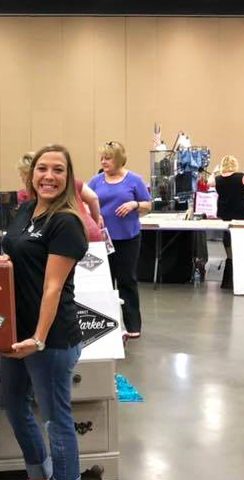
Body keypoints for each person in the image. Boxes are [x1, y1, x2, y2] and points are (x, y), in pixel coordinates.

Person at [0, 144, 88, 480]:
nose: (48, 176)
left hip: (50, 336)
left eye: (58, 170)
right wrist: (4, 265)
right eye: (42, 169)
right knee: (12, 402)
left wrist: (39, 337)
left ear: (68, 177)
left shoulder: (66, 222)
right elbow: (21, 258)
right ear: (31, 173)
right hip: (18, 331)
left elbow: (52, 286)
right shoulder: (25, 211)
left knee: (56, 418)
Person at [88, 141, 151, 338]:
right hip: (103, 240)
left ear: (119, 160)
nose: (103, 162)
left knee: (127, 281)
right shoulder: (96, 181)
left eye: (108, 158)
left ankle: (133, 327)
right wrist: (94, 214)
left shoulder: (134, 180)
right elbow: (83, 201)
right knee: (105, 282)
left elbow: (148, 205)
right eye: (102, 158)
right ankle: (107, 326)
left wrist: (134, 204)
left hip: (128, 239)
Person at [17, 152, 103, 241]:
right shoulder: (70, 181)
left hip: (70, 237)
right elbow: (93, 198)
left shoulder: (30, 194)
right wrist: (95, 222)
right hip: (92, 232)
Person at [208, 155, 244, 288]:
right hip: (239, 214)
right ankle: (236, 265)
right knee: (238, 238)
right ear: (235, 165)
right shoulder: (241, 176)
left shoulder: (218, 178)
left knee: (227, 238)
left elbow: (209, 182)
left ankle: (229, 260)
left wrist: (215, 171)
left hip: (224, 214)